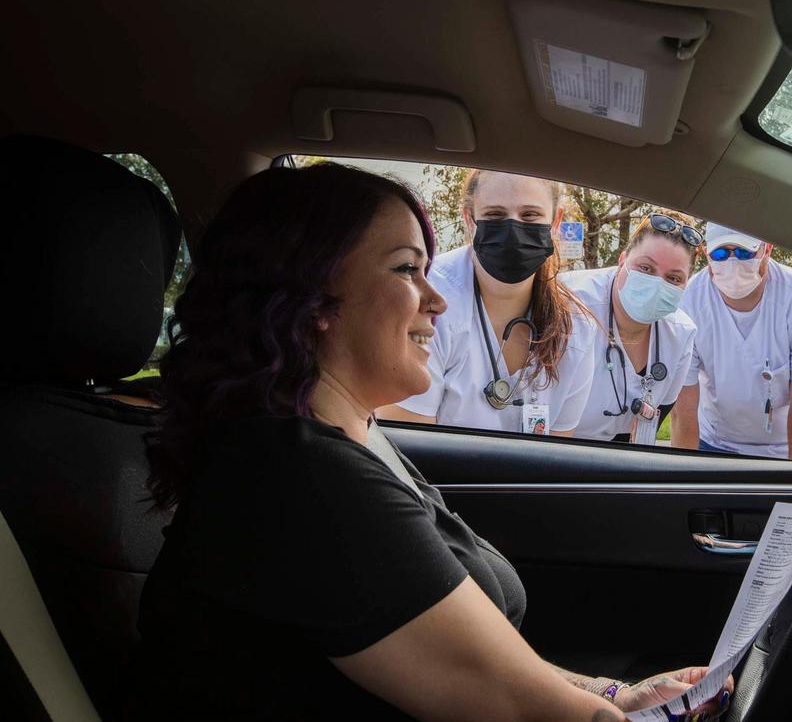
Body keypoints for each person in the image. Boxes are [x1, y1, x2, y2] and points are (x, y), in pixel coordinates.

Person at [130, 163, 733, 721]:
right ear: (313, 299)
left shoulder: (351, 440)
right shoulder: (300, 478)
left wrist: (617, 696)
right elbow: (512, 702)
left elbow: (486, 664)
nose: (437, 299)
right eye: (405, 269)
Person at [377, 170, 598, 436]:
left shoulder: (577, 328)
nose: (513, 230)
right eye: (495, 215)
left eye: (530, 215)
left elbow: (558, 452)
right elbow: (408, 441)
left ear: (555, 221)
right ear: (470, 219)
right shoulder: (429, 303)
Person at [671, 223, 792, 461]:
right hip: (718, 442)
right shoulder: (689, 301)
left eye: (744, 253)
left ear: (767, 250)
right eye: (720, 254)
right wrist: (681, 487)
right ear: (707, 254)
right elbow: (683, 411)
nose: (732, 263)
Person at [561, 212, 701, 445]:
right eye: (646, 268)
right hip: (552, 447)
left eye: (674, 279)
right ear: (622, 259)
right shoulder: (570, 306)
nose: (657, 284)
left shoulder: (681, 335)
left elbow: (652, 421)